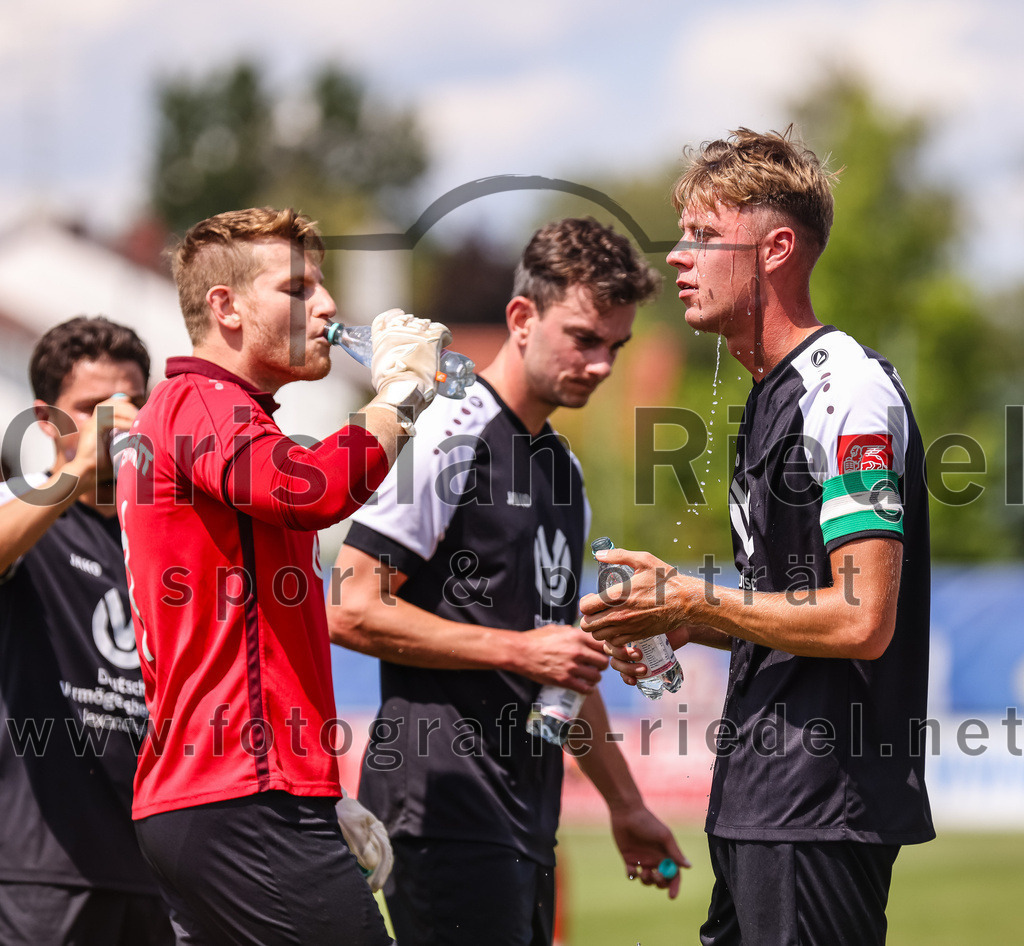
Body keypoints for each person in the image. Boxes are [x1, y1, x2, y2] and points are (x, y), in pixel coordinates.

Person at [580, 128, 934, 945]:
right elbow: (785, 609)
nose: (677, 256)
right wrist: (681, 620)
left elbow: (861, 618)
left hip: (818, 802)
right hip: (765, 797)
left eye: (704, 235)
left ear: (775, 249)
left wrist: (698, 595)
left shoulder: (843, 388)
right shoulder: (774, 391)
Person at [328, 217, 688, 946]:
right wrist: (517, 652)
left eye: (614, 346)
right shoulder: (444, 436)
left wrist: (625, 805)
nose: (602, 365)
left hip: (525, 816)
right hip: (440, 810)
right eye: (584, 338)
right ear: (521, 318)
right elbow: (349, 605)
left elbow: (561, 663)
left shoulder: (565, 471)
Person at [117, 206, 452, 946]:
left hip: (226, 795)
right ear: (225, 307)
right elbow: (310, 491)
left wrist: (323, 793)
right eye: (298, 288)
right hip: (243, 795)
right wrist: (397, 399)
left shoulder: (206, 413)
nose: (327, 305)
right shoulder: (203, 402)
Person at [0, 316, 174, 945]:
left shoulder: (168, 533)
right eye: (94, 407)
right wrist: (76, 471)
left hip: (167, 872)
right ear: (47, 421)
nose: (117, 420)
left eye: (131, 403)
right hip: (43, 873)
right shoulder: (23, 505)